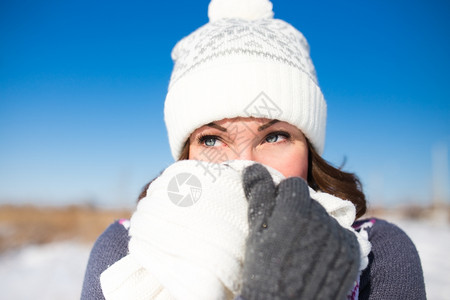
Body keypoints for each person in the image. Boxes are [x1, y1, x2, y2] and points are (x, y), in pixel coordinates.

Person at [81, 0, 426, 299]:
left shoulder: (377, 253)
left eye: (274, 136)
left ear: (309, 150)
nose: (245, 165)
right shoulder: (127, 250)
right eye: (212, 140)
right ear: (186, 156)